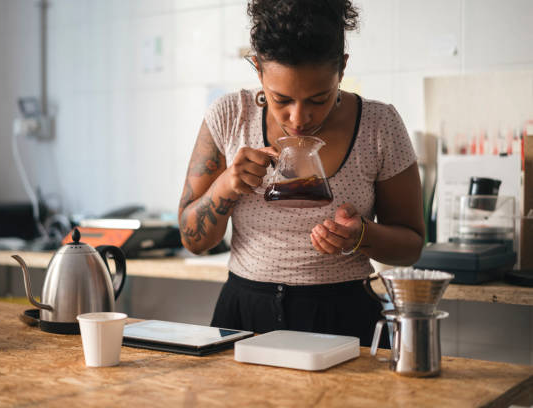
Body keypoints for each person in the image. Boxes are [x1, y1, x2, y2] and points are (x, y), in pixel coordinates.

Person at [177, 0, 424, 347]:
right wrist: (225, 186)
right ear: (257, 68)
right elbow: (194, 241)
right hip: (245, 314)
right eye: (281, 99)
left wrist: (361, 236)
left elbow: (411, 245)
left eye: (319, 99)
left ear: (342, 68)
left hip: (345, 313)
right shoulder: (230, 116)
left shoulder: (379, 125)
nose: (299, 118)